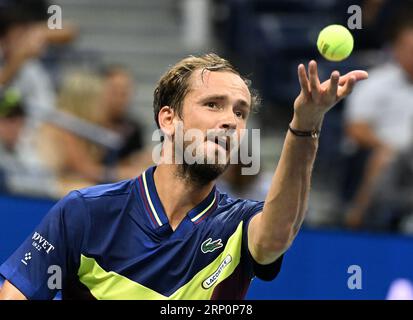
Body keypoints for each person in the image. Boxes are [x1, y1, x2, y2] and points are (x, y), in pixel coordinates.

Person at [0, 53, 367, 300]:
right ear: (168, 119)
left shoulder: (237, 226)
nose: (230, 120)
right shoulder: (84, 213)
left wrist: (305, 125)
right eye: (213, 105)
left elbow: (276, 235)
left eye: (240, 113)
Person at [343, 7, 413, 229]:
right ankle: (358, 217)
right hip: (387, 156)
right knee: (384, 158)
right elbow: (355, 128)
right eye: (409, 48)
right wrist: (388, 146)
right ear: (395, 48)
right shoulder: (375, 82)